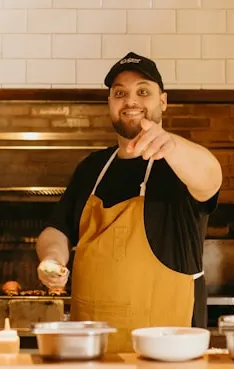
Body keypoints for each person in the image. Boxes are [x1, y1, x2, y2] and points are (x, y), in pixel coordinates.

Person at [36, 52, 223, 353]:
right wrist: (51, 258)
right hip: (94, 346)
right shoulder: (92, 167)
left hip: (166, 349)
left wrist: (171, 144)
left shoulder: (179, 163)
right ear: (110, 104)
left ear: (163, 101)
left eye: (143, 91)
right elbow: (57, 229)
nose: (131, 101)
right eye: (120, 93)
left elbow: (210, 178)